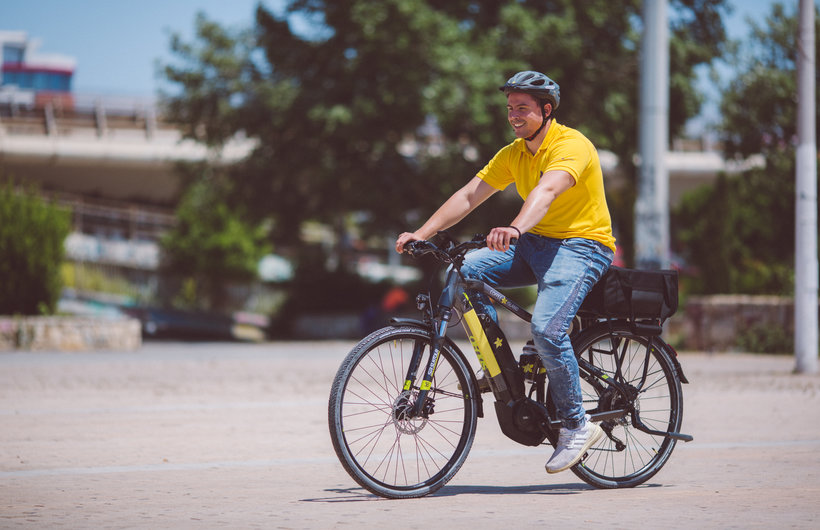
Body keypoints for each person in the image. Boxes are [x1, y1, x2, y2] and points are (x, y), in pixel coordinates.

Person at [395, 70, 616, 474]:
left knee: (548, 330)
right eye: (510, 108)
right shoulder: (514, 153)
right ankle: (498, 364)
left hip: (581, 246)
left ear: (546, 111)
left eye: (523, 108)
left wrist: (514, 228)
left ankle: (577, 424)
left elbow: (546, 192)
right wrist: (421, 233)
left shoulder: (572, 145)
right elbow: (468, 195)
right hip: (535, 243)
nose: (514, 115)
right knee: (463, 271)